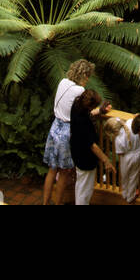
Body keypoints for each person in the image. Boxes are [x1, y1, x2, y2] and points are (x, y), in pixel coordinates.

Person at [42, 59, 93, 205]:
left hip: (54, 127)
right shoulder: (80, 91)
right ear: (84, 75)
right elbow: (84, 114)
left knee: (52, 170)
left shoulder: (62, 82)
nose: (88, 80)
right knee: (64, 173)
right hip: (66, 132)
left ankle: (45, 203)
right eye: (87, 76)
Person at [70, 89, 115, 205]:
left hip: (76, 151)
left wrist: (99, 111)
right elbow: (92, 145)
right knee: (85, 190)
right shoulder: (83, 120)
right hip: (85, 157)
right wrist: (106, 160)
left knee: (81, 186)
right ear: (89, 106)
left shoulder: (76, 105)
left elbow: (87, 114)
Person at [113, 113, 140, 205]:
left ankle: (125, 194)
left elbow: (120, 153)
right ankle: (131, 196)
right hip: (137, 154)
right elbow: (136, 116)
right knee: (134, 177)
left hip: (125, 158)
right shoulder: (130, 122)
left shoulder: (118, 138)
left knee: (125, 176)